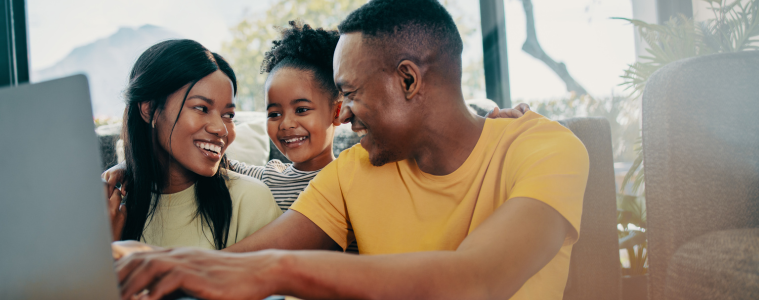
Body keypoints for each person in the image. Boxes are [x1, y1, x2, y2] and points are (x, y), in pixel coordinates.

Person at [114, 1, 585, 298]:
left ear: (408, 80)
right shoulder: (354, 171)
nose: (342, 114)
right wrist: (147, 262)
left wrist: (272, 271)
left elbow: (475, 281)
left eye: (350, 93)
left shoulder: (544, 149)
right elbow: (240, 263)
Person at [104, 22, 529, 254]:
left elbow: (433, 143)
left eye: (302, 110)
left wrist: (492, 124)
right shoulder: (267, 179)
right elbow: (211, 160)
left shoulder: (365, 170)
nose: (286, 124)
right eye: (273, 113)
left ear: (338, 111)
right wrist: (130, 170)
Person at [107, 39, 281, 250]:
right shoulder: (110, 209)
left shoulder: (251, 201)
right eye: (201, 108)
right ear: (149, 108)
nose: (221, 129)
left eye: (228, 115)